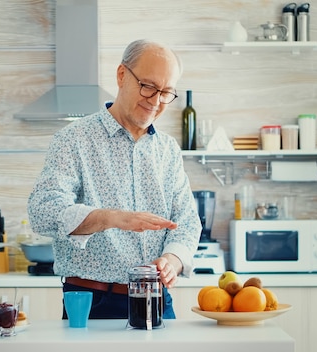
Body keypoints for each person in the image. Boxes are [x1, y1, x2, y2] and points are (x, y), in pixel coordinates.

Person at [27, 39, 201, 319]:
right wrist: (110, 218)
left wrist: (172, 260)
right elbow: (43, 211)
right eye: (148, 87)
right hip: (93, 304)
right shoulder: (74, 140)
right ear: (122, 75)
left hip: (157, 301)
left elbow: (188, 222)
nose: (155, 101)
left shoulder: (168, 150)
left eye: (166, 92)